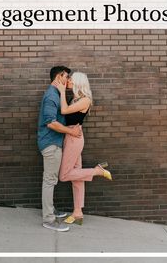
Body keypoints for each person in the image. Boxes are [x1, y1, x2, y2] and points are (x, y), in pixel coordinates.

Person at [53, 72, 113, 226]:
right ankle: (78, 212)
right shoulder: (76, 98)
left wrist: (60, 91)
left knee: (64, 175)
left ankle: (97, 171)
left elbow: (64, 111)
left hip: (74, 138)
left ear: (79, 82)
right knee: (77, 178)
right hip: (71, 135)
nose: (69, 80)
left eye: (72, 79)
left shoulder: (85, 100)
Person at [37, 66, 82, 232]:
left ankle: (51, 210)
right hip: (50, 144)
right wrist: (71, 132)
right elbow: (51, 122)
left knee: (52, 179)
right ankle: (48, 218)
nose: (68, 79)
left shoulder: (56, 94)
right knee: (49, 180)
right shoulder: (51, 96)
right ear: (58, 77)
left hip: (53, 143)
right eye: (66, 76)